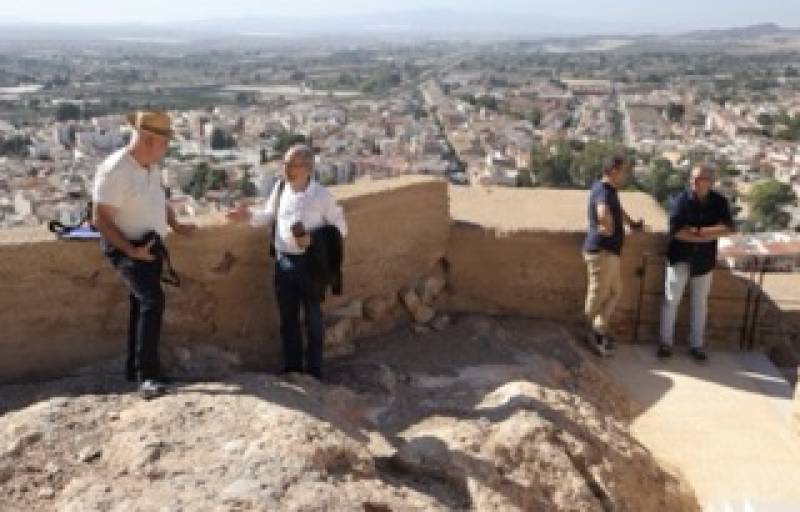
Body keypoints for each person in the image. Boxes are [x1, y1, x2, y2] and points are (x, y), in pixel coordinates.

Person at [93, 111, 196, 399]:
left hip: (148, 245)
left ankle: (136, 368)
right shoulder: (116, 170)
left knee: (142, 304)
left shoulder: (150, 166)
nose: (166, 148)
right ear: (149, 140)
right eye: (164, 142)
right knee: (152, 301)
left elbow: (158, 200)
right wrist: (131, 251)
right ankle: (147, 376)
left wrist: (175, 225)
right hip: (126, 245)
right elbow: (100, 219)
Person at [227, 144, 347, 379]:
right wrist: (247, 215)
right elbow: (268, 215)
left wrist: (312, 239)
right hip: (283, 261)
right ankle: (293, 367)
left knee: (313, 317)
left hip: (309, 265)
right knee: (288, 317)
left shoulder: (322, 196)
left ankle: (314, 370)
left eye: (292, 165)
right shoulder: (280, 188)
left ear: (308, 168)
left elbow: (340, 228)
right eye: (285, 164)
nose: (286, 169)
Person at [658, 164, 734, 362]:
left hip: (704, 260)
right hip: (680, 256)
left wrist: (699, 232)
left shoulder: (719, 202)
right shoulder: (681, 201)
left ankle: (696, 345)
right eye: (693, 178)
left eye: (699, 178)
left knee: (700, 303)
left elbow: (728, 228)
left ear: (710, 182)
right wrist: (707, 235)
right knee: (671, 300)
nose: (694, 182)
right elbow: (676, 231)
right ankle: (665, 343)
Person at [583, 156, 644, 356]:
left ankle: (598, 328)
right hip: (603, 251)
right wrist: (606, 226)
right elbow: (602, 212)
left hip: (609, 251)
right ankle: (589, 332)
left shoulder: (608, 190)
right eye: (624, 171)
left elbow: (617, 210)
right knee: (598, 293)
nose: (626, 175)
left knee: (614, 291)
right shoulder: (603, 190)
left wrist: (631, 223)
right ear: (613, 171)